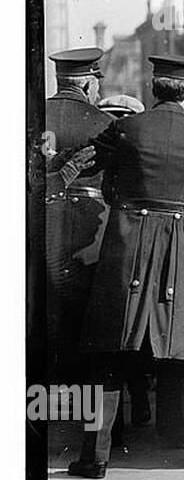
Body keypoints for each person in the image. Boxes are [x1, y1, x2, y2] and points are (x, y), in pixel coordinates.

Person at [69, 54, 184, 477]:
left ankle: (94, 455)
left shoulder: (126, 129)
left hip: (125, 244)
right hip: (183, 247)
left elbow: (100, 176)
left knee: (107, 348)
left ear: (153, 87)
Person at [38, 49, 113, 389]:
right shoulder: (105, 124)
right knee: (87, 322)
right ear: (87, 84)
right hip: (90, 236)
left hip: (38, 230)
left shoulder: (31, 117)